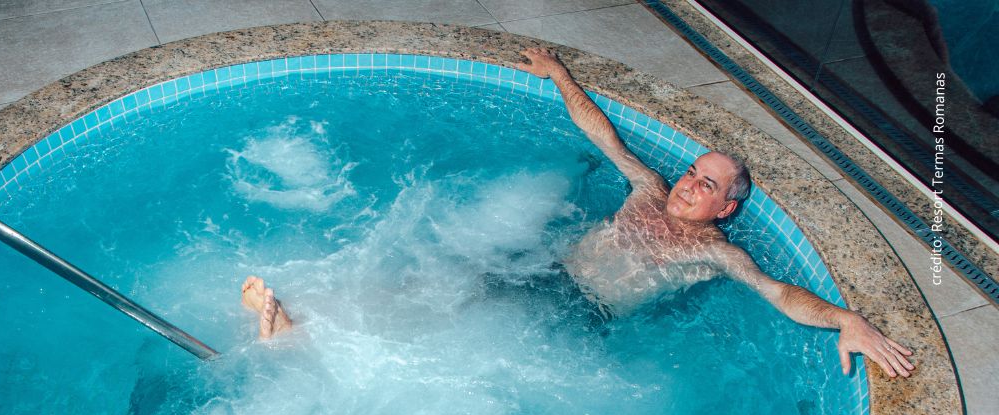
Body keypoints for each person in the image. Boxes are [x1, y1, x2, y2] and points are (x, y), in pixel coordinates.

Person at [240, 46, 915, 379]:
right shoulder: (647, 189)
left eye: (707, 184)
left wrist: (847, 319)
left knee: (451, 335)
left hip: (577, 314)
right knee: (429, 288)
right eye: (692, 172)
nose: (688, 183)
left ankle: (309, 352)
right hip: (540, 271)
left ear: (728, 207)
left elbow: (782, 294)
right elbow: (604, 137)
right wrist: (560, 76)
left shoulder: (717, 254)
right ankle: (310, 317)